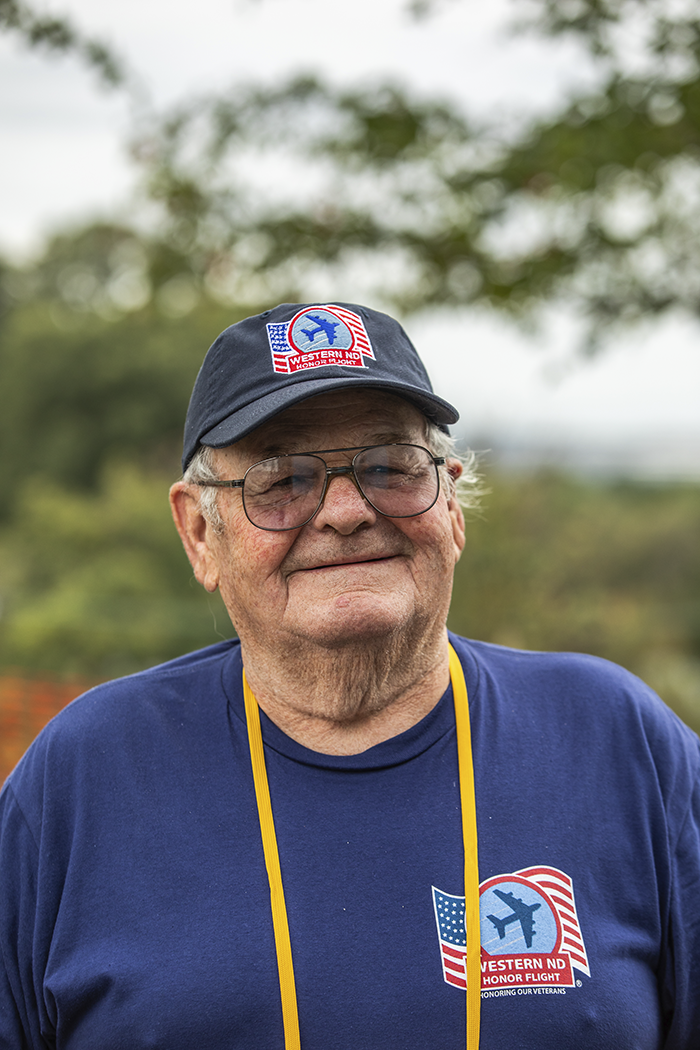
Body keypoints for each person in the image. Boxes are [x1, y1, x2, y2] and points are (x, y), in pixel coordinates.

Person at [1, 301, 698, 1050]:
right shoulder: (83, 775)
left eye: (391, 467)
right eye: (283, 478)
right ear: (200, 533)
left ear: (453, 507)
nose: (345, 511)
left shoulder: (619, 741)